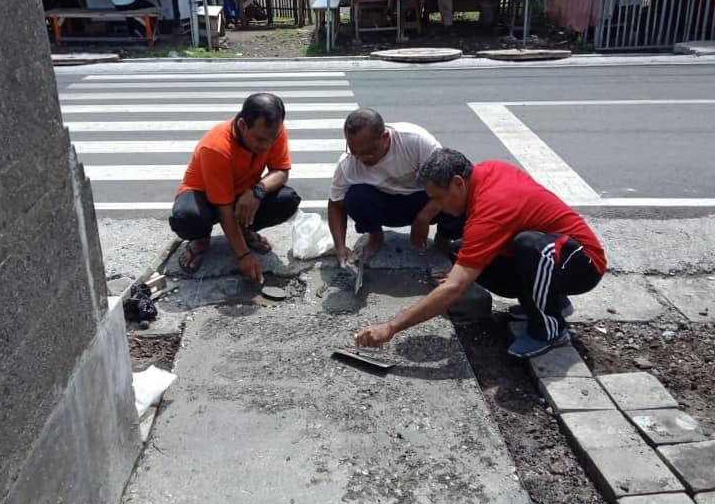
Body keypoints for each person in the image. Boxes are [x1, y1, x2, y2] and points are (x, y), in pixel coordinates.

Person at [356, 149, 607, 358]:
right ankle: (550, 303)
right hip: (553, 258)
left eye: (440, 199)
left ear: (458, 183)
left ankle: (550, 330)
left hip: (583, 263)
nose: (438, 208)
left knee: (529, 245)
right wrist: (459, 276)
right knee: (461, 251)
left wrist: (391, 327)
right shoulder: (486, 171)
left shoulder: (491, 208)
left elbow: (455, 288)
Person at [169, 93, 302, 282]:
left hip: (243, 193)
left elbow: (281, 171)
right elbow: (224, 208)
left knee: (287, 199)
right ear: (242, 125)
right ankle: (201, 239)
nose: (267, 145)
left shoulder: (273, 130)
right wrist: (243, 256)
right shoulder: (216, 147)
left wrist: (258, 191)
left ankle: (244, 230)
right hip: (204, 196)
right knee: (187, 217)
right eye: (260, 139)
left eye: (272, 139)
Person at [328, 109, 463, 266]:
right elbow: (335, 204)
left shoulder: (415, 141)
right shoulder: (349, 163)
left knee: (458, 193)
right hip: (385, 205)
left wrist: (423, 218)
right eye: (354, 152)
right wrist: (340, 246)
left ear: (385, 137)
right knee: (355, 197)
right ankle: (376, 236)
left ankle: (444, 236)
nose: (361, 159)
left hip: (424, 200)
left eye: (368, 153)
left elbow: (447, 183)